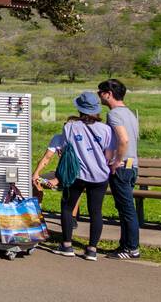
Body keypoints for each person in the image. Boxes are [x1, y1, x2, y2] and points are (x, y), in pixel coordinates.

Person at [43, 91, 116, 261]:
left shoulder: (69, 127)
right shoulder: (106, 129)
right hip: (100, 175)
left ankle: (67, 245)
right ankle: (92, 249)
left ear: (80, 109)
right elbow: (109, 155)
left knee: (68, 207)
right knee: (96, 212)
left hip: (76, 174)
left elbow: (66, 149)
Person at [99, 78, 140, 259]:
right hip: (132, 167)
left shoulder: (114, 114)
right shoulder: (130, 113)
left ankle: (132, 248)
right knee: (125, 208)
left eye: (100, 92)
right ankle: (124, 246)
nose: (99, 96)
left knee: (127, 210)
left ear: (108, 94)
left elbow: (123, 140)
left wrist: (116, 161)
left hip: (122, 168)